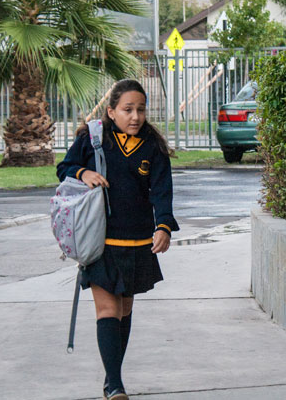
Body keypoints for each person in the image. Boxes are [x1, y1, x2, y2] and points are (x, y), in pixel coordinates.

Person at [56, 79, 178, 400]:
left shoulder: (152, 147)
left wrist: (163, 226)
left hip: (138, 244)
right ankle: (114, 384)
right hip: (101, 243)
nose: (135, 116)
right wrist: (84, 174)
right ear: (111, 111)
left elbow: (162, 191)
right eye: (127, 110)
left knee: (124, 311)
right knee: (107, 311)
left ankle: (114, 378)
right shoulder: (94, 139)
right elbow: (65, 167)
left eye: (140, 109)